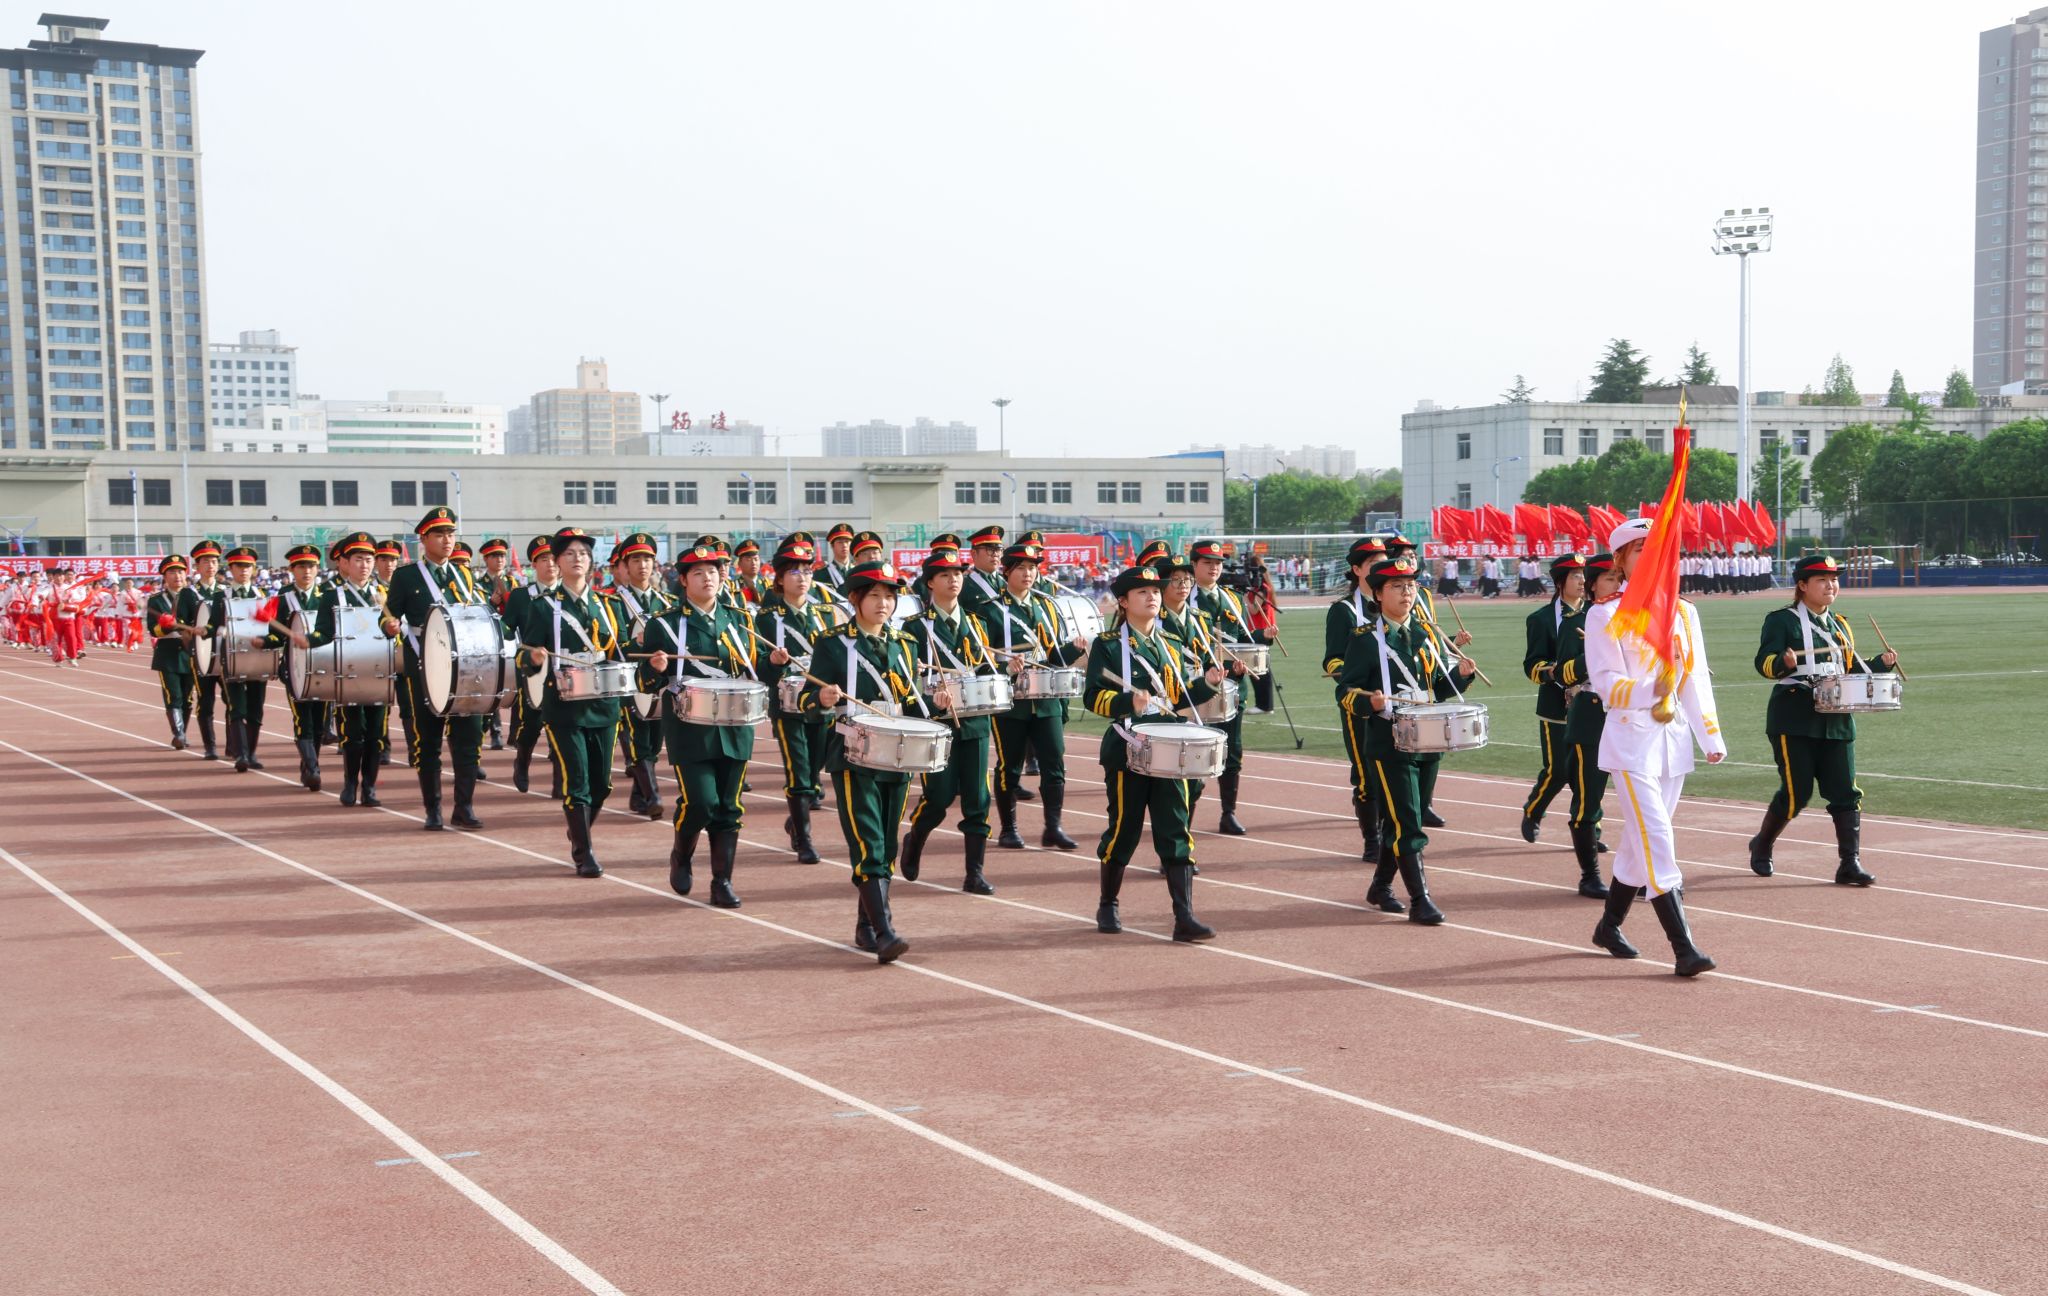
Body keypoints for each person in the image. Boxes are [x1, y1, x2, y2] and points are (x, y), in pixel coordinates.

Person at [1584, 516, 1727, 976]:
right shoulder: (1606, 614)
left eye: (1659, 549)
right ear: (1621, 560)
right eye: (1640, 550)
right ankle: (1684, 949)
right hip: (1630, 741)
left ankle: (1609, 926)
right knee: (1657, 838)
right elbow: (1606, 683)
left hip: (1672, 741)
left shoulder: (1683, 612)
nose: (1652, 558)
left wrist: (1709, 735)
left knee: (1637, 842)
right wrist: (1652, 690)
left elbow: (1696, 678)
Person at [798, 559, 931, 963]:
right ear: (856, 599)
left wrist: (934, 703)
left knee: (887, 845)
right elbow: (806, 700)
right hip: (853, 754)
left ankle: (865, 925)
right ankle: (885, 931)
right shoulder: (833, 643)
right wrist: (821, 698)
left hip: (897, 755)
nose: (883, 603)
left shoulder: (905, 643)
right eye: (874, 595)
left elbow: (909, 701)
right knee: (868, 841)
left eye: (890, 596)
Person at [1084, 563, 1228, 939]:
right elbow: (1092, 697)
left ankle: (1184, 917)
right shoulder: (1108, 645)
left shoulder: (1170, 643)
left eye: (1154, 591)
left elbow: (1175, 699)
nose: (1152, 597)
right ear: (1123, 601)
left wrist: (1207, 684)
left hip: (1169, 748)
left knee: (1175, 829)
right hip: (1128, 747)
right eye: (1142, 592)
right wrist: (1126, 701)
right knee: (1124, 830)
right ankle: (1108, 904)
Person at [1335, 556, 1478, 921]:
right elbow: (1345, 692)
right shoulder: (1366, 640)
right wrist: (1368, 702)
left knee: (1401, 819)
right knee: (1408, 823)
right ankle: (1420, 900)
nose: (1407, 592)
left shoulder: (1426, 634)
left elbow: (1435, 689)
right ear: (1379, 594)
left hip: (1428, 741)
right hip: (1389, 742)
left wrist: (1461, 677)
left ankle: (1380, 886)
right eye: (1397, 586)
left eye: (1411, 586)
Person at [1746, 553, 1893, 886]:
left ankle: (1849, 863)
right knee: (1796, 793)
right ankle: (1763, 843)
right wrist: (1782, 662)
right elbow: (1764, 663)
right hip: (1794, 717)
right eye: (1822, 580)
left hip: (1837, 717)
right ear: (1802, 585)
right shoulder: (1781, 621)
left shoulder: (1840, 624)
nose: (1831, 586)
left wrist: (1880, 664)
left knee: (1845, 792)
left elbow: (1849, 668)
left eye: (1834, 580)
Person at [641, 542, 767, 907]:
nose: (707, 578)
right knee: (701, 801)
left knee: (729, 806)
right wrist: (654, 668)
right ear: (683, 580)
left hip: (735, 725)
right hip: (690, 726)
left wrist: (774, 662)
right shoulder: (664, 624)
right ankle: (681, 852)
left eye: (712, 571)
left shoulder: (740, 620)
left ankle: (721, 881)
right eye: (698, 573)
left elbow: (755, 670)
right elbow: (644, 682)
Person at [519, 527, 627, 878]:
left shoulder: (609, 606)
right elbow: (524, 655)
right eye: (569, 553)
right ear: (557, 562)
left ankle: (578, 828)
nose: (577, 558)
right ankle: (584, 852)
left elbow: (622, 651)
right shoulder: (544, 607)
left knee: (602, 785)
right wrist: (533, 658)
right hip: (565, 705)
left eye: (583, 553)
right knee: (577, 780)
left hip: (604, 704)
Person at [382, 506, 490, 832]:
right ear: (424, 539)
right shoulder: (406, 576)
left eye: (450, 534)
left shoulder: (464, 575)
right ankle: (433, 809)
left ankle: (464, 807)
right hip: (424, 665)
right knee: (428, 739)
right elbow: (388, 615)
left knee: (469, 737)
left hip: (464, 667)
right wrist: (389, 625)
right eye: (439, 534)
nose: (447, 540)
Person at [900, 547, 1001, 893]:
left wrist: (1005, 670)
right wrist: (931, 700)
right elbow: (906, 681)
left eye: (958, 573)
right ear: (930, 582)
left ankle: (974, 873)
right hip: (937, 725)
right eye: (945, 574)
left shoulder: (976, 624)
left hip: (974, 722)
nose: (953, 579)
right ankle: (915, 837)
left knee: (978, 799)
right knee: (939, 798)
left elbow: (985, 670)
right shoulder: (914, 627)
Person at [978, 541, 1089, 850]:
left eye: (1032, 568)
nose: (1028, 574)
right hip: (1010, 701)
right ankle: (1008, 828)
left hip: (1046, 699)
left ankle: (1053, 827)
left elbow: (1054, 657)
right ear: (1006, 572)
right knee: (1009, 765)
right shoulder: (990, 610)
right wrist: (1005, 666)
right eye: (1021, 568)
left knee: (1054, 762)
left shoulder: (1046, 606)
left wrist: (1073, 650)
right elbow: (980, 660)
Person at [756, 534, 835, 864]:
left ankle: (795, 819)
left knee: (815, 771)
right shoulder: (766, 617)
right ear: (779, 578)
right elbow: (758, 667)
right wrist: (773, 662)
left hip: (820, 702)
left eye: (807, 571)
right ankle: (804, 839)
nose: (802, 578)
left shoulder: (825, 614)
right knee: (799, 772)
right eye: (794, 571)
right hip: (788, 706)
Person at [1189, 538, 1276, 835]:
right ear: (1194, 565)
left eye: (1218, 563)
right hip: (1198, 686)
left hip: (1232, 687)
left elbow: (1241, 638)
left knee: (1232, 750)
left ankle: (1228, 813)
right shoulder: (1184, 600)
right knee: (1196, 752)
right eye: (1207, 562)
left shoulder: (1232, 598)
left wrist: (1262, 637)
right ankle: (1184, 819)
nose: (1214, 568)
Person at [1556, 553, 1618, 896]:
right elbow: (1564, 673)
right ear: (1593, 585)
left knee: (1642, 799)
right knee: (1588, 799)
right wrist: (1593, 654)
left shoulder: (1635, 618)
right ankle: (1589, 875)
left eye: (1620, 577)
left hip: (1629, 715)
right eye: (1609, 578)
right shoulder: (1577, 622)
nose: (1617, 584)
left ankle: (1643, 873)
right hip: (1591, 714)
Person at [1519, 553, 1587, 847]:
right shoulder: (1541, 619)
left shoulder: (1598, 613)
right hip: (1555, 707)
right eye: (1575, 576)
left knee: (1588, 773)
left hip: (1591, 705)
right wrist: (1556, 673)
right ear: (1561, 582)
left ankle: (1588, 829)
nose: (1582, 581)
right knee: (1558, 770)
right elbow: (1532, 665)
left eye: (1583, 575)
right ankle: (1533, 811)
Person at [1325, 537, 1386, 860]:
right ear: (1357, 569)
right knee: (1365, 775)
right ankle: (1371, 840)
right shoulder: (1344, 611)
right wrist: (1354, 676)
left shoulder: (1396, 603)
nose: (1381, 569)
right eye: (1373, 564)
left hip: (1397, 702)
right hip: (1360, 703)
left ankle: (1392, 834)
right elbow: (1332, 660)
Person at [609, 531, 677, 820]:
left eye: (647, 559)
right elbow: (612, 647)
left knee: (654, 741)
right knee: (638, 738)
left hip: (660, 681)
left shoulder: (667, 602)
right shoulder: (613, 603)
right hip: (629, 679)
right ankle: (652, 797)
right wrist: (636, 644)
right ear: (624, 566)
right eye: (635, 560)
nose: (642, 565)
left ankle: (638, 796)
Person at [321, 532, 390, 808]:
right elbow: (322, 633)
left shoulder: (383, 595)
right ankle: (350, 783)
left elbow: (396, 632)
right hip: (347, 673)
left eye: (369, 560)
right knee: (352, 733)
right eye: (358, 559)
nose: (365, 565)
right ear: (345, 563)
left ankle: (369, 788)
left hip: (379, 671)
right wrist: (305, 641)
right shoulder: (332, 596)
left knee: (375, 735)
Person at [264, 544, 332, 793]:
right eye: (301, 566)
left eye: (311, 566)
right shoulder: (282, 598)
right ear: (292, 569)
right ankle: (313, 769)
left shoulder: (328, 596)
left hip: (324, 666)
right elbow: (274, 635)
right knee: (303, 719)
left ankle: (308, 765)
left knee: (319, 722)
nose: (307, 571)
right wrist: (265, 642)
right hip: (294, 668)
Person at [501, 537, 558, 794]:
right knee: (531, 724)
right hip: (532, 667)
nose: (550, 564)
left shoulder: (569, 594)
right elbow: (507, 628)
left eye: (554, 559)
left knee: (562, 724)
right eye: (543, 559)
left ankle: (561, 779)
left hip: (563, 667)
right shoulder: (521, 596)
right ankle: (522, 762)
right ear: (534, 564)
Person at [212, 547, 272, 774]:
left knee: (256, 708)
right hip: (232, 658)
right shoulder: (221, 597)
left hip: (258, 657)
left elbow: (271, 627)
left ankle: (252, 752)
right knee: (237, 707)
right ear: (231, 569)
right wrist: (214, 630)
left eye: (248, 566)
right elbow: (213, 626)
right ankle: (241, 754)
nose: (244, 570)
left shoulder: (263, 595)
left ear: (254, 569)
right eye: (239, 566)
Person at [176, 540, 225, 760]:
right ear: (197, 566)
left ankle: (233, 745)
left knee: (232, 701)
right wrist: (190, 632)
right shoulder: (189, 594)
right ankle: (210, 746)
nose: (210, 566)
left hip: (226, 654)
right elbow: (181, 623)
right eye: (205, 562)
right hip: (201, 655)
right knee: (205, 702)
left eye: (214, 562)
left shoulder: (225, 591)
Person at [147, 556, 194, 749]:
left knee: (188, 697)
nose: (177, 576)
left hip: (190, 653)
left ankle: (183, 732)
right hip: (168, 654)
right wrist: (165, 627)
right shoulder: (156, 600)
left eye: (181, 571)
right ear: (165, 577)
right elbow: (153, 630)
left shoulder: (194, 597)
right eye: (172, 572)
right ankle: (179, 733)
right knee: (173, 695)